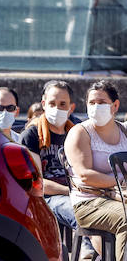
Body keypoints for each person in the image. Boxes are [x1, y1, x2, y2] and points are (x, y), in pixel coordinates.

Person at [64, 80, 127, 261]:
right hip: (88, 202)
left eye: (102, 102)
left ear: (115, 106)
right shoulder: (80, 133)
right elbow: (84, 175)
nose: (95, 106)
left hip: (119, 197)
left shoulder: (124, 132)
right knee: (126, 218)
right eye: (92, 102)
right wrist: (119, 182)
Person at [19, 81, 84, 238]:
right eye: (52, 103)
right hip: (47, 199)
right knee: (81, 212)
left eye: (63, 104)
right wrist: (69, 191)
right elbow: (37, 182)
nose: (57, 109)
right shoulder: (32, 135)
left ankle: (104, 257)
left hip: (77, 193)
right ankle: (92, 253)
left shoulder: (77, 133)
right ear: (44, 104)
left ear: (71, 108)